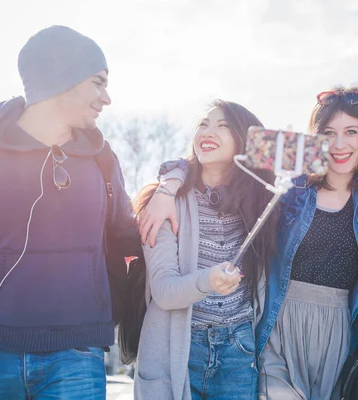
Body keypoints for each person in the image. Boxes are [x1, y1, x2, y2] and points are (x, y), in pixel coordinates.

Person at [142, 87, 358, 399]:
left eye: (352, 132)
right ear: (315, 139)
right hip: (278, 330)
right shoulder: (289, 189)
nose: (339, 144)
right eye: (328, 133)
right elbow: (219, 157)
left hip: (338, 337)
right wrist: (168, 186)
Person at [0, 25, 141, 399]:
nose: (106, 98)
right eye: (98, 83)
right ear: (63, 80)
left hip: (77, 356)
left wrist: (172, 187)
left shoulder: (103, 159)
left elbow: (128, 239)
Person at [133, 100, 279, 400]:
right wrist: (207, 281)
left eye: (223, 125)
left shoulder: (262, 203)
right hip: (181, 346)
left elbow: (301, 179)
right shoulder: (165, 202)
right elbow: (163, 290)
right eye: (203, 124)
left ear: (246, 140)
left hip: (239, 348)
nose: (208, 131)